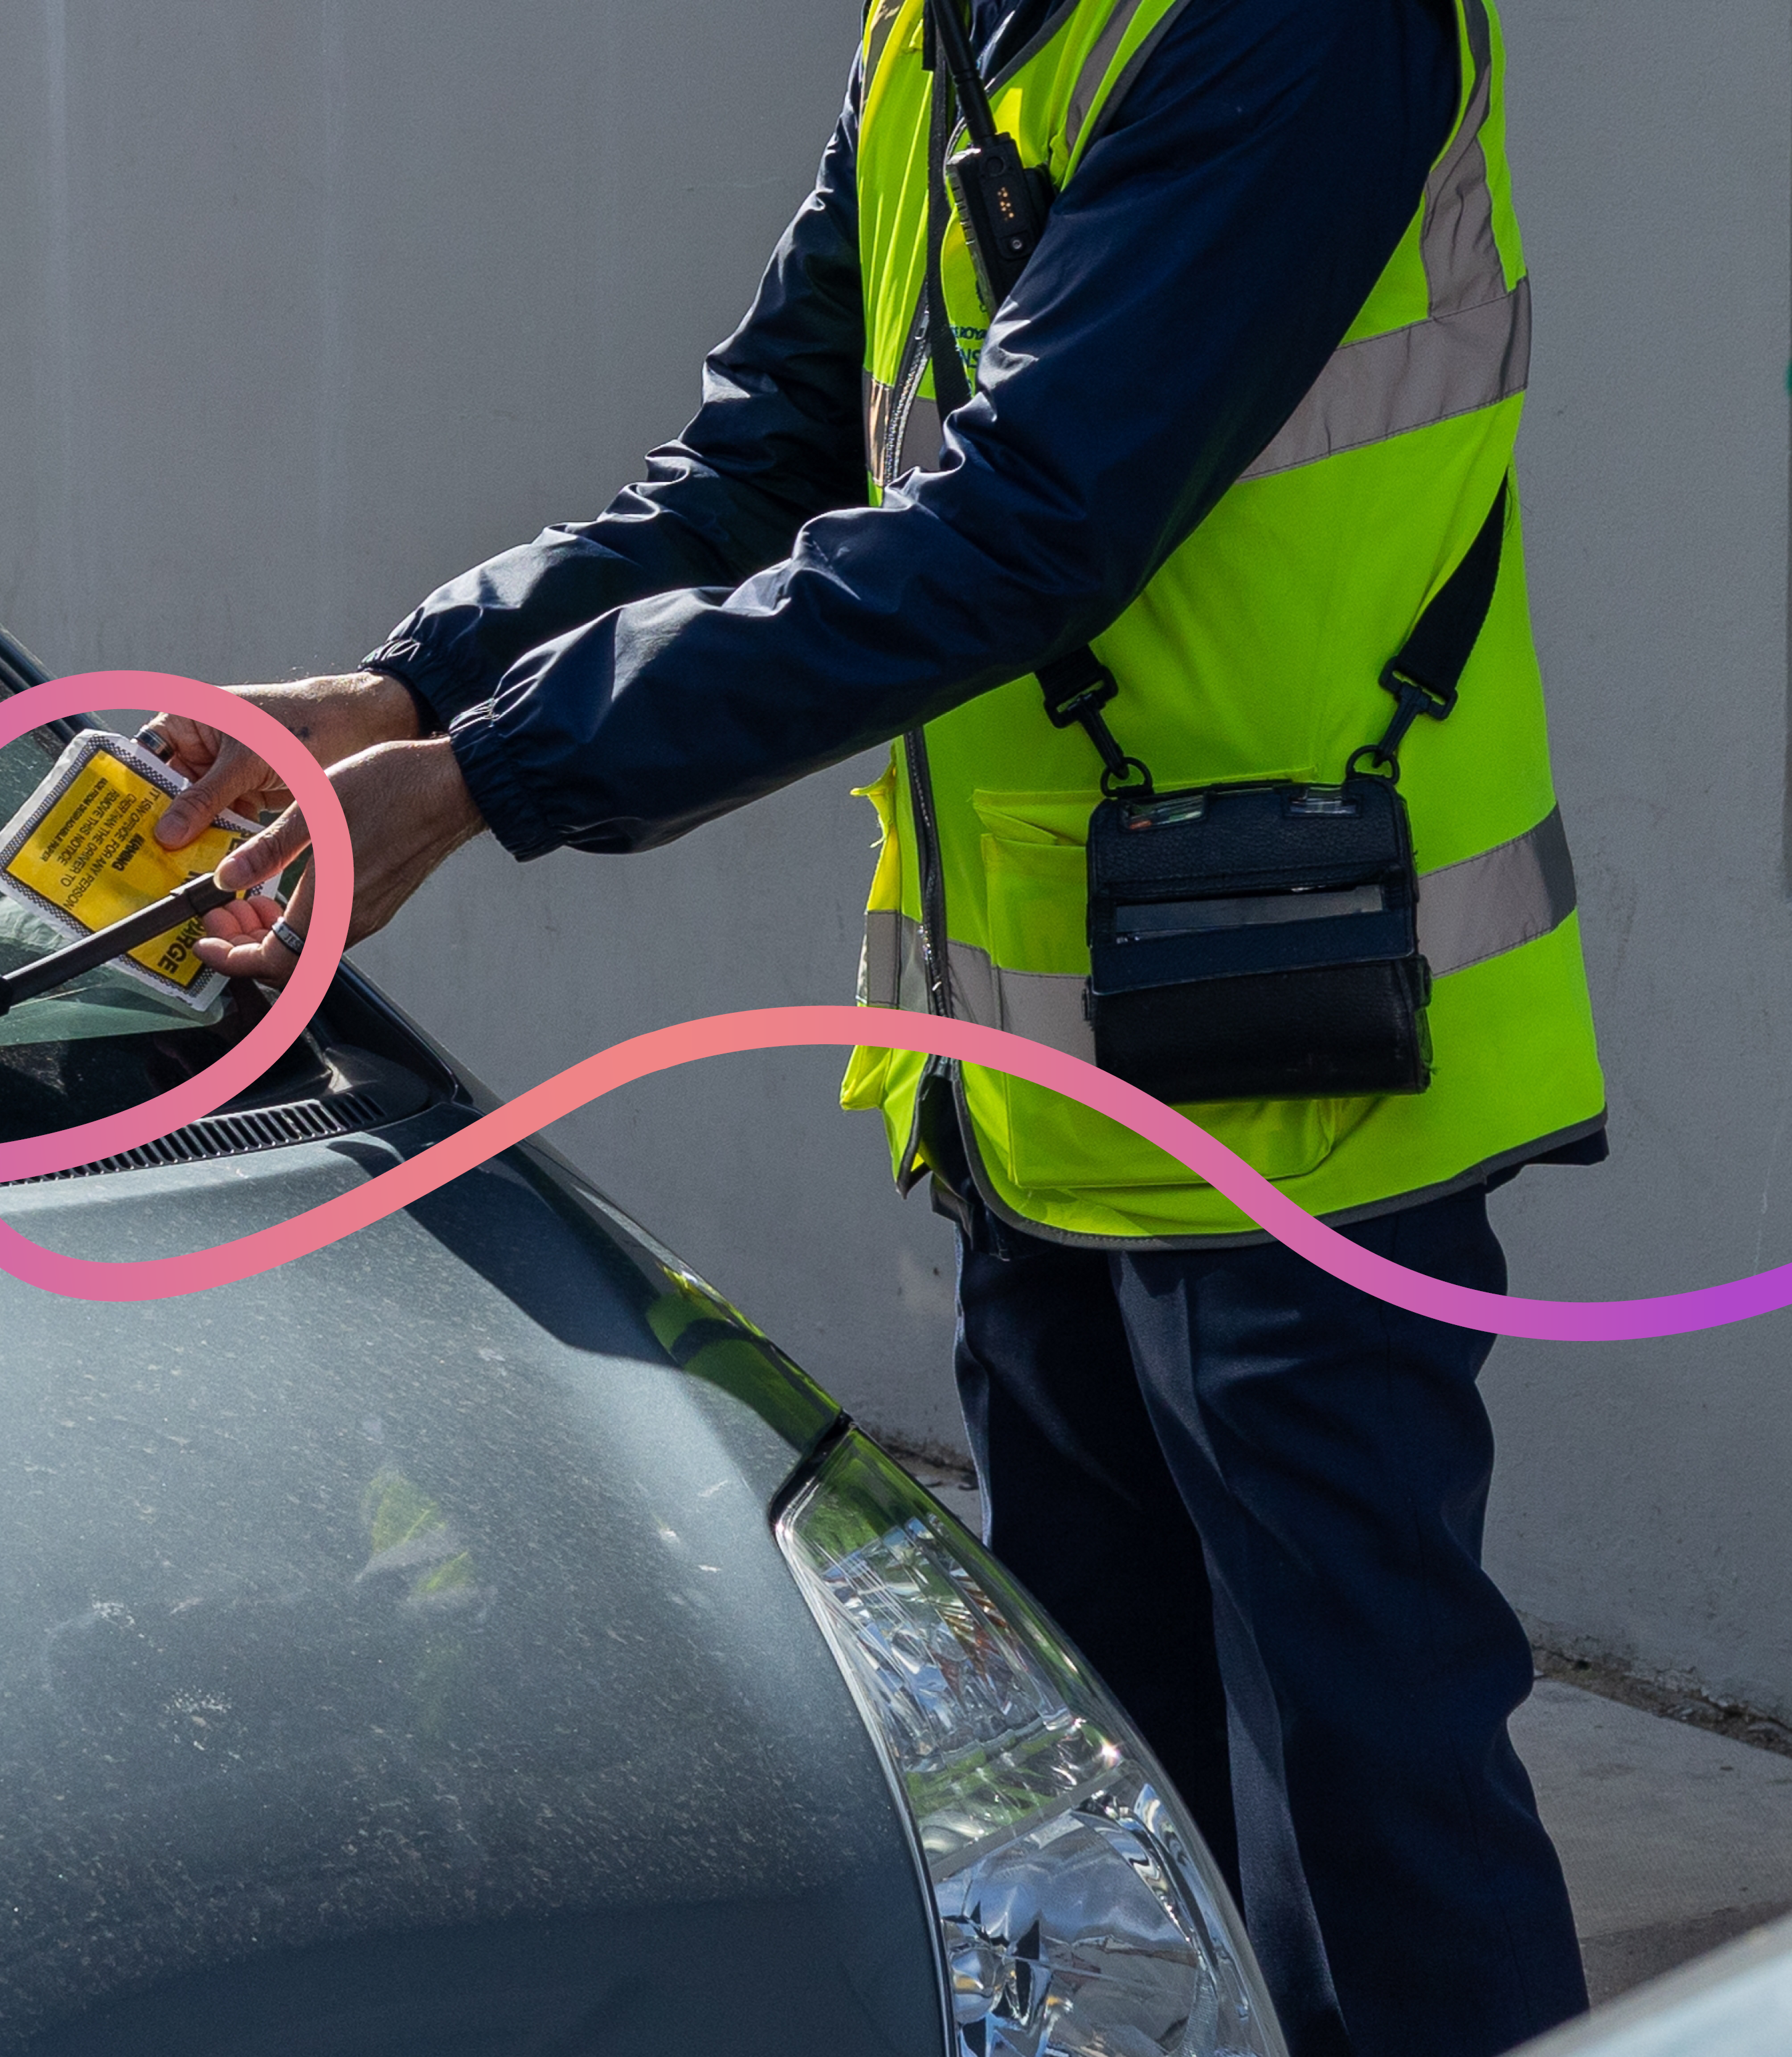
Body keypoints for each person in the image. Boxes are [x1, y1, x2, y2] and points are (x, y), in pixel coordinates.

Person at [147, 2, 1606, 2051]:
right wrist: (405, 695)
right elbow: (759, 462)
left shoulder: (1286, 27)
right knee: (1124, 1821)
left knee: (1368, 1827)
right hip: (1044, 1092)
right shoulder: (949, 26)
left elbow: (1028, 522)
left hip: (1303, 1071)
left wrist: (492, 775)